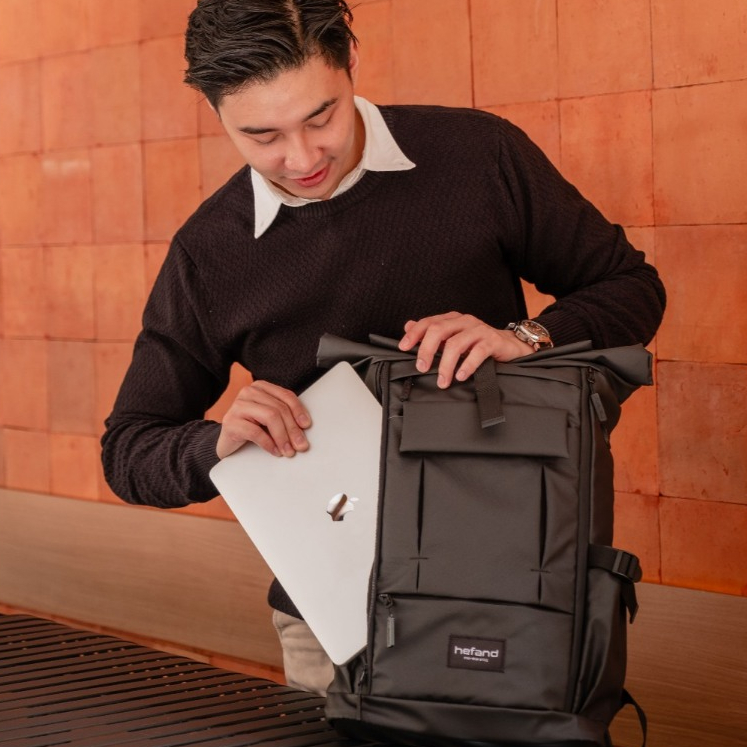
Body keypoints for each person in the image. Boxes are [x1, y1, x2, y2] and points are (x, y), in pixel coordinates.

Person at [101, 0, 666, 698]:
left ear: (350, 63)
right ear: (215, 112)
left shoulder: (477, 153)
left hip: (517, 590)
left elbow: (630, 287)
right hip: (331, 625)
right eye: (262, 135)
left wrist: (524, 338)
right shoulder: (209, 249)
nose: (302, 158)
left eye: (321, 117)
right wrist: (214, 443)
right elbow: (128, 449)